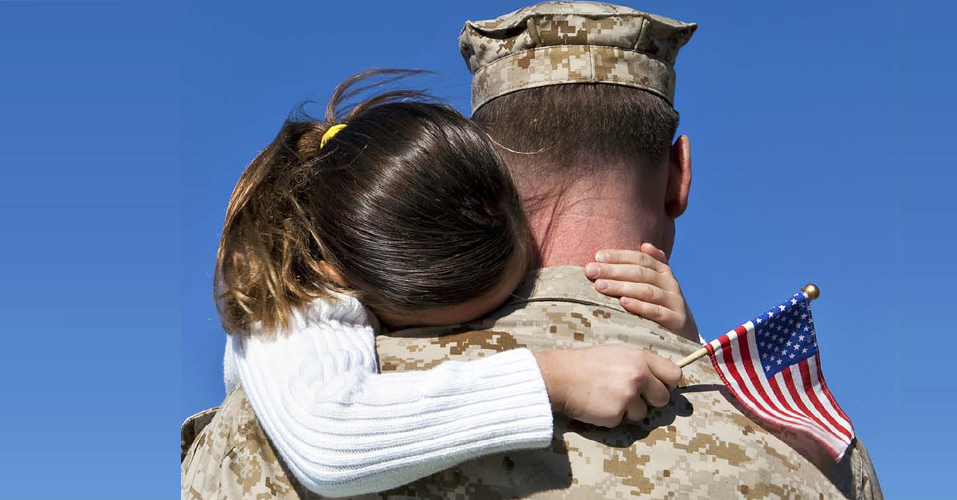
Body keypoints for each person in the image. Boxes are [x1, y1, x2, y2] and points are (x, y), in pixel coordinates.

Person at [182, 2, 884, 499]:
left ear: (481, 168)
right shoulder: (824, 462)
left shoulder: (261, 431)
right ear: (679, 175)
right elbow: (331, 435)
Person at [213, 69, 702, 498]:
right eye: (456, 327)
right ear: (357, 285)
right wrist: (552, 378)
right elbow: (328, 441)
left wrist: (684, 337)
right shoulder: (293, 304)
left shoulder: (354, 255)